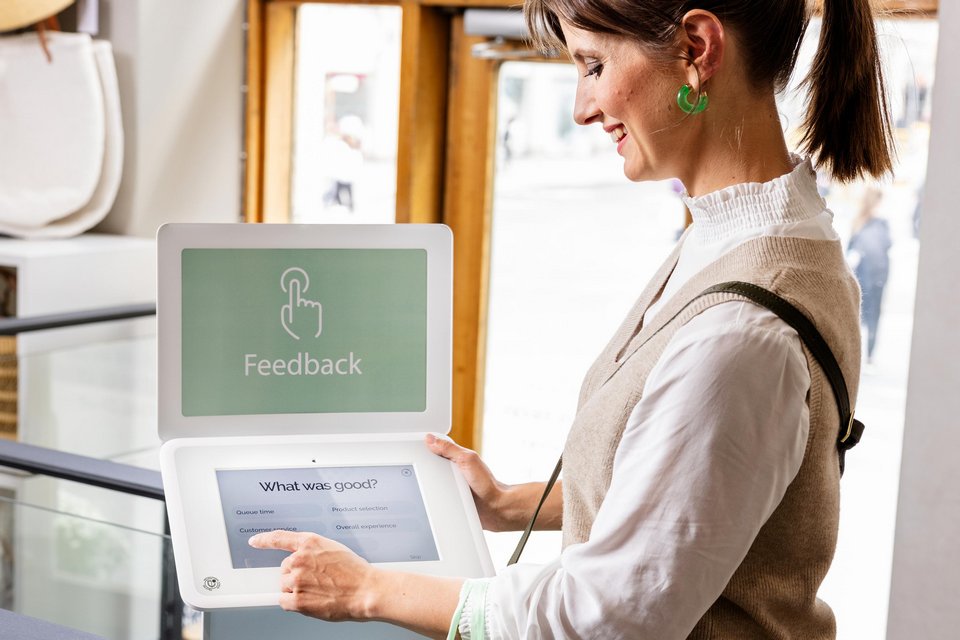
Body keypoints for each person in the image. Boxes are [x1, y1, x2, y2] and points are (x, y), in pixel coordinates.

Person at [249, 0, 894, 637]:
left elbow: (598, 620)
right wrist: (508, 503)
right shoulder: (757, 240)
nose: (581, 108)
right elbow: (696, 494)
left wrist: (369, 589)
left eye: (592, 65)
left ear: (697, 49)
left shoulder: (742, 332)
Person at [848, 188, 892, 364]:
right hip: (875, 279)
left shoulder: (860, 223)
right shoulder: (879, 224)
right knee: (871, 318)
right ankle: (868, 356)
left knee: (858, 317)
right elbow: (887, 246)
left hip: (862, 278)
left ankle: (860, 356)